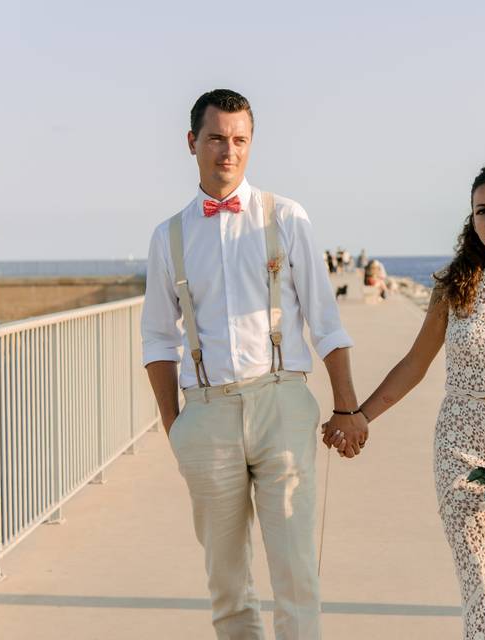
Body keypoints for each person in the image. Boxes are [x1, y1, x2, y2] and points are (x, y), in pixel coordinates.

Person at [141, 89, 368, 640]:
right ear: (192, 142)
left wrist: (347, 407)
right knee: (227, 584)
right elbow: (155, 338)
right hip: (207, 413)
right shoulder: (168, 236)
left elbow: (324, 320)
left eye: (240, 139)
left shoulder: (286, 217)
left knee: (295, 573)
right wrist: (177, 428)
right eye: (217, 138)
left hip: (281, 402)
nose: (229, 151)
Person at [325, 164, 485, 638]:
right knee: (484, 589)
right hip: (462, 455)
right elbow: (414, 364)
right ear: (473, 220)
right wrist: (360, 416)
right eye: (482, 210)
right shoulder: (454, 287)